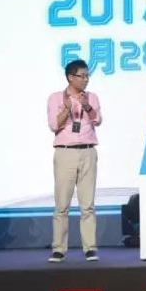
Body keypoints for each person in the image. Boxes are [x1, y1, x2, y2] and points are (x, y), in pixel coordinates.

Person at [47, 60, 102, 262]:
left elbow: (97, 120)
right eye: (82, 76)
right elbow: (54, 125)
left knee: (87, 205)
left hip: (88, 151)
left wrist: (86, 106)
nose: (85, 79)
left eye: (87, 76)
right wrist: (66, 109)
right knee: (62, 205)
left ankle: (90, 248)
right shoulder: (55, 97)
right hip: (65, 153)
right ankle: (59, 249)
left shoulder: (92, 97)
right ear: (70, 77)